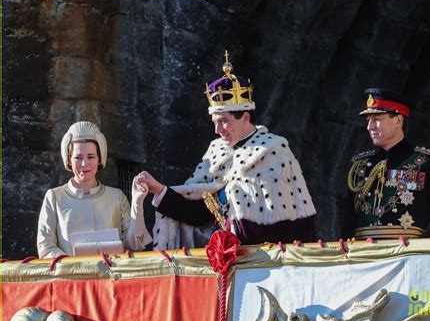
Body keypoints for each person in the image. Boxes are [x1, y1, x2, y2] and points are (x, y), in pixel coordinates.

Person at [135, 51, 317, 249]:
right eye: (215, 122)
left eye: (224, 121)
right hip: (221, 257)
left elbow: (293, 224)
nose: (217, 130)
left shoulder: (275, 150)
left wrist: (235, 198)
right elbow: (198, 214)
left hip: (264, 260)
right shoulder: (215, 152)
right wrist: (159, 189)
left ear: (245, 118)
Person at [343, 88, 430, 240]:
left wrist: (420, 247)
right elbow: (348, 225)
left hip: (405, 258)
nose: (370, 127)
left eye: (377, 120)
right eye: (368, 121)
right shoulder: (360, 165)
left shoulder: (426, 163)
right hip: (363, 257)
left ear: (398, 121)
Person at [37, 121, 152, 258]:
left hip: (112, 278)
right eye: (78, 157)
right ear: (69, 160)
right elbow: (46, 246)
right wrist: (73, 266)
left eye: (91, 156)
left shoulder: (117, 196)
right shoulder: (54, 197)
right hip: (73, 277)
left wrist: (137, 204)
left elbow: (134, 245)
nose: (84, 164)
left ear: (99, 159)